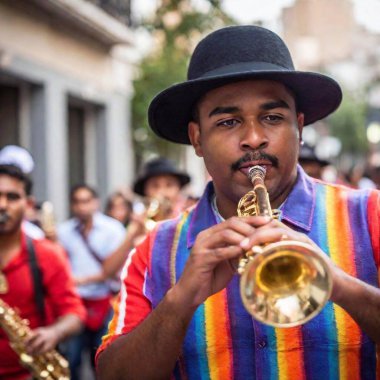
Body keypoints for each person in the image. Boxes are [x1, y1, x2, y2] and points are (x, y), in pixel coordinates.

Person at [96, 25, 380, 379]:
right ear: (197, 139)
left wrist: (337, 283)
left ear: (300, 127)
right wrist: (179, 302)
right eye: (228, 121)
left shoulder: (371, 215)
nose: (254, 139)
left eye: (273, 118)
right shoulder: (154, 248)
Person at [0, 164, 85, 380]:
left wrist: (54, 332)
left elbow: (75, 313)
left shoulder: (47, 254)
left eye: (12, 197)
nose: (2, 205)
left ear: (28, 204)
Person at [57, 184, 126, 380]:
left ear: (95, 203)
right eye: (77, 202)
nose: (82, 207)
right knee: (72, 359)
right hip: (76, 303)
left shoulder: (112, 229)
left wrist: (80, 279)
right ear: (71, 205)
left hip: (105, 301)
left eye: (86, 201)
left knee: (103, 359)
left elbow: (113, 269)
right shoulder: (64, 231)